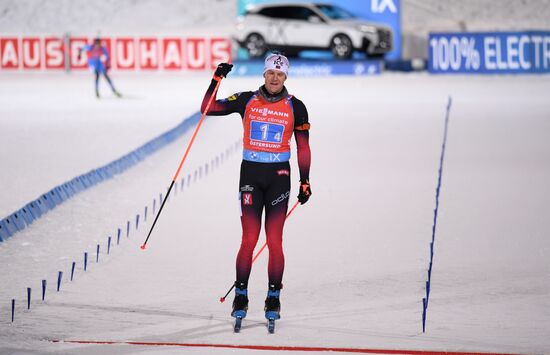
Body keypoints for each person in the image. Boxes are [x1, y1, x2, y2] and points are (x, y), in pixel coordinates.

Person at [201, 53, 312, 324]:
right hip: (250, 175)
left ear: (286, 76)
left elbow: (304, 147)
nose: (275, 78)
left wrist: (305, 180)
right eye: (270, 73)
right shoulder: (246, 99)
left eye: (280, 74)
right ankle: (241, 294)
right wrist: (217, 78)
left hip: (279, 178)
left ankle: (273, 297)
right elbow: (207, 108)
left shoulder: (296, 107)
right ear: (264, 74)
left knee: (274, 241)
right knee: (249, 239)